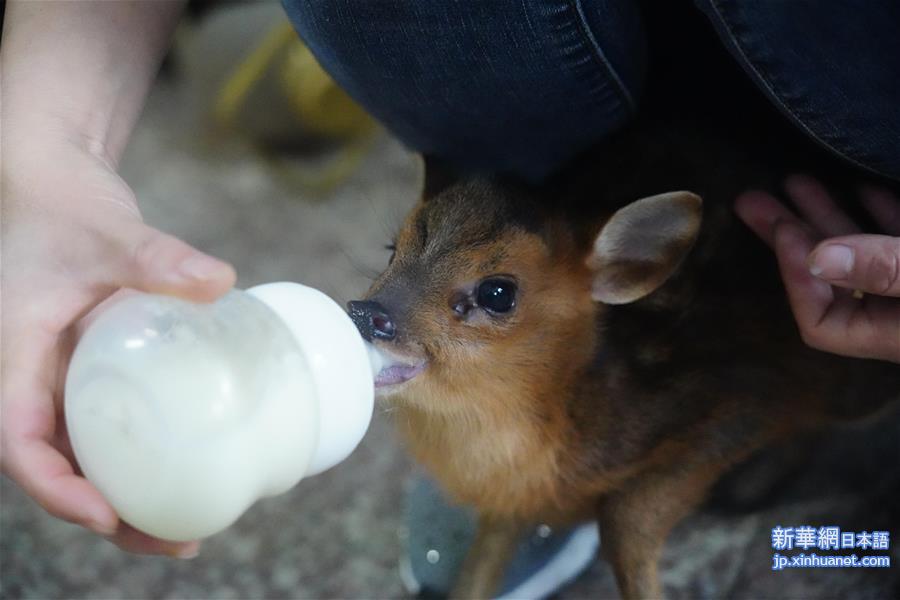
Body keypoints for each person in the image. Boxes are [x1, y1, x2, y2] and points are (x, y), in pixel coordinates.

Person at [2, 0, 898, 595]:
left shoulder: (618, 342)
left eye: (492, 297)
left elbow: (730, 407)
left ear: (623, 273)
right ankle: (500, 510)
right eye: (396, 256)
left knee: (652, 485)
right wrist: (43, 165)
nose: (377, 304)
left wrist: (635, 530)